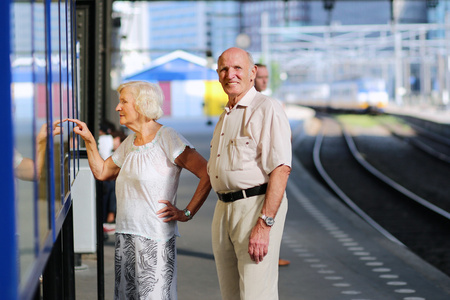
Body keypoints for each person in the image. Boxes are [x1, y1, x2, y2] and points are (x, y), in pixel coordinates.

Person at [64, 80, 211, 299]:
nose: (118, 108)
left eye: (123, 101)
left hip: (154, 239)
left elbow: (207, 173)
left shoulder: (168, 137)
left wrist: (187, 212)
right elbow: (103, 172)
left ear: (142, 105)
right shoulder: (130, 142)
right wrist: (89, 142)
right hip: (125, 236)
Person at [208, 47, 292, 299]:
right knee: (230, 294)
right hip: (223, 209)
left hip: (254, 207)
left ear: (253, 72)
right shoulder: (226, 115)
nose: (229, 74)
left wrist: (264, 225)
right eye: (224, 69)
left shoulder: (266, 108)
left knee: (257, 294)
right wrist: (189, 210)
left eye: (237, 68)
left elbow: (281, 168)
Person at [255, 63, 291, 267]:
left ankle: (272, 253)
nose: (264, 81)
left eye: (266, 77)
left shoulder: (272, 104)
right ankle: (269, 255)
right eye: (261, 77)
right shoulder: (255, 106)